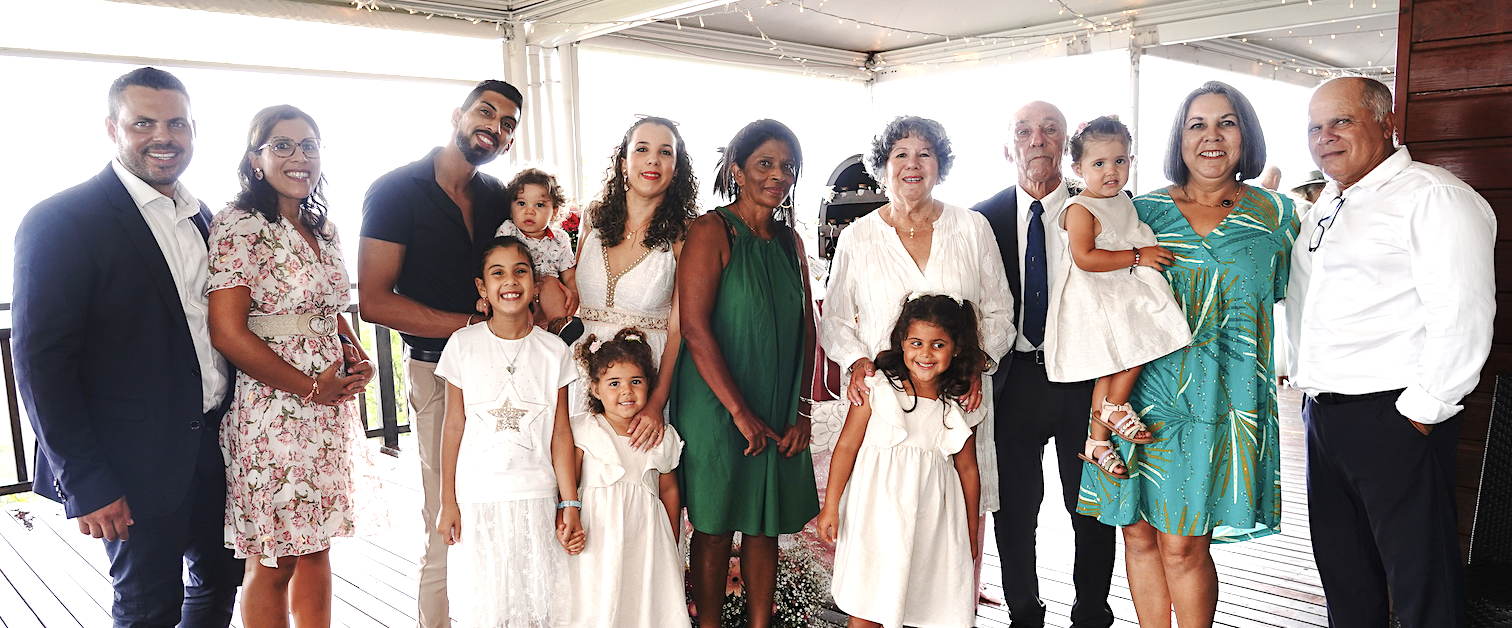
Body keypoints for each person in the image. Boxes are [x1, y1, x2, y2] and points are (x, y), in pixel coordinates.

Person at [14, 66, 242, 628]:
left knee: (218, 583)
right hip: (131, 461)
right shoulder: (61, 221)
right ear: (112, 129)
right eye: (144, 122)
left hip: (217, 445)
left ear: (193, 131)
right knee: (147, 606)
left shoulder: (204, 215)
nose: (163, 136)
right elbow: (42, 362)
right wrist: (86, 482)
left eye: (176, 124)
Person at [1076, 81, 1297, 628]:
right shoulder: (1136, 211)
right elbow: (1095, 294)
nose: (1211, 136)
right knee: (1138, 534)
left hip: (1221, 402)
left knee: (1184, 545)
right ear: (1179, 138)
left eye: (1226, 122)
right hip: (1134, 398)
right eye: (1197, 124)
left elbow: (1298, 300)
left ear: (1246, 135)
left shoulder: (1278, 216)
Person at [1287, 76, 1494, 628]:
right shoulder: (1328, 203)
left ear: (1387, 123)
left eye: (1341, 121)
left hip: (1395, 416)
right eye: (1314, 127)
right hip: (1325, 415)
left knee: (1422, 582)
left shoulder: (1434, 196)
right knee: (1345, 579)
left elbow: (1464, 313)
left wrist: (1421, 413)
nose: (1325, 137)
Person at [819, 115, 1013, 604]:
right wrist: (858, 362)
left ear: (940, 165)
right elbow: (836, 320)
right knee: (883, 545)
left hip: (957, 397)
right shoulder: (857, 238)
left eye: (924, 154)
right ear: (883, 167)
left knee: (948, 539)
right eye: (900, 155)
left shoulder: (972, 227)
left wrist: (975, 365)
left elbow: (999, 311)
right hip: (886, 409)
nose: (912, 164)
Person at [205, 105, 382, 628]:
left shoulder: (322, 226)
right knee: (276, 556)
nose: (299, 156)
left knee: (317, 547)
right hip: (275, 412)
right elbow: (228, 332)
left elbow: (325, 312)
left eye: (309, 145)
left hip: (327, 410)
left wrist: (355, 353)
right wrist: (310, 387)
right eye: (282, 145)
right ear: (255, 158)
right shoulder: (240, 225)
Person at [357, 79, 521, 627]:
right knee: (442, 515)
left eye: (507, 125)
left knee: (510, 503)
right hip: (434, 370)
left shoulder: (498, 196)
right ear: (458, 114)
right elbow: (376, 303)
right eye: (486, 112)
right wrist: (471, 326)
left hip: (507, 371)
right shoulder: (394, 190)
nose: (494, 127)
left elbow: (527, 264)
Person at [970, 101, 1116, 628]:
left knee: (1092, 506)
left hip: (1082, 380)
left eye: (1049, 130)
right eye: (1025, 131)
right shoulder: (979, 218)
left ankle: (1093, 612)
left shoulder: (1097, 210)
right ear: (1008, 146)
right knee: (1013, 511)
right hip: (1012, 382)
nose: (1038, 140)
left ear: (1065, 146)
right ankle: (1024, 612)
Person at [671, 119, 819, 628]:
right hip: (716, 405)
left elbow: (808, 331)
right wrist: (740, 413)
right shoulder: (711, 230)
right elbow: (694, 328)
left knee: (766, 525)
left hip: (777, 402)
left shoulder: (790, 241)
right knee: (712, 527)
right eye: (765, 164)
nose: (778, 175)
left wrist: (800, 411)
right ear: (737, 169)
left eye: (787, 167)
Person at [433, 237, 584, 628]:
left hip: (536, 496)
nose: (510, 281)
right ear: (483, 289)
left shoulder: (554, 351)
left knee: (539, 606)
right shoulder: (462, 346)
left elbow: (562, 434)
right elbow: (453, 426)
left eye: (520, 271)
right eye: (497, 273)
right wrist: (447, 500)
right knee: (487, 609)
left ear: (535, 284)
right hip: (478, 499)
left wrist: (570, 503)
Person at [817, 294, 984, 628]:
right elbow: (848, 445)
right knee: (868, 605)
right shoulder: (876, 388)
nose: (925, 354)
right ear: (902, 343)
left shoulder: (953, 407)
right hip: (875, 519)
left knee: (923, 602)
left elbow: (968, 470)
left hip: (929, 521)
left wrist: (970, 528)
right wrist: (831, 505)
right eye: (916, 343)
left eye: (938, 345)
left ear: (956, 349)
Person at [1049, 116, 1188, 479]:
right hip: (1096, 294)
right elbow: (1085, 258)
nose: (1111, 171)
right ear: (1077, 168)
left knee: (1116, 362)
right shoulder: (1081, 208)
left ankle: (1096, 441)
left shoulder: (1120, 199)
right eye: (1099, 164)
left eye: (1120, 161)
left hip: (1119, 288)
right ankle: (1115, 405)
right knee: (1136, 348)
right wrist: (1139, 257)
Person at [571, 116, 697, 447]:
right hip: (580, 375)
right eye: (642, 149)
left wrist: (656, 403)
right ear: (624, 163)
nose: (653, 159)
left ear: (676, 168)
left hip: (640, 385)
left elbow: (679, 329)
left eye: (665, 152)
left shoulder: (685, 235)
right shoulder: (592, 218)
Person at [566, 328, 686, 628]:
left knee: (640, 603)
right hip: (597, 537)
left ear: (649, 384)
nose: (626, 392)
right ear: (595, 388)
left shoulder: (661, 436)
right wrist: (566, 519)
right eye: (614, 383)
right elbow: (568, 485)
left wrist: (670, 541)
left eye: (636, 382)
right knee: (596, 601)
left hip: (644, 539)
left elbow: (668, 491)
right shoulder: (583, 430)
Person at [496, 167, 581, 341]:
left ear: (554, 211)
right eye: (521, 203)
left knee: (550, 282)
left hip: (547, 291)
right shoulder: (508, 230)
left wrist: (573, 291)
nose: (529, 211)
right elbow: (498, 262)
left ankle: (559, 325)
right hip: (516, 285)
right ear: (511, 208)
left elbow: (569, 274)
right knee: (518, 303)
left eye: (540, 205)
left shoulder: (560, 238)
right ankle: (521, 334)